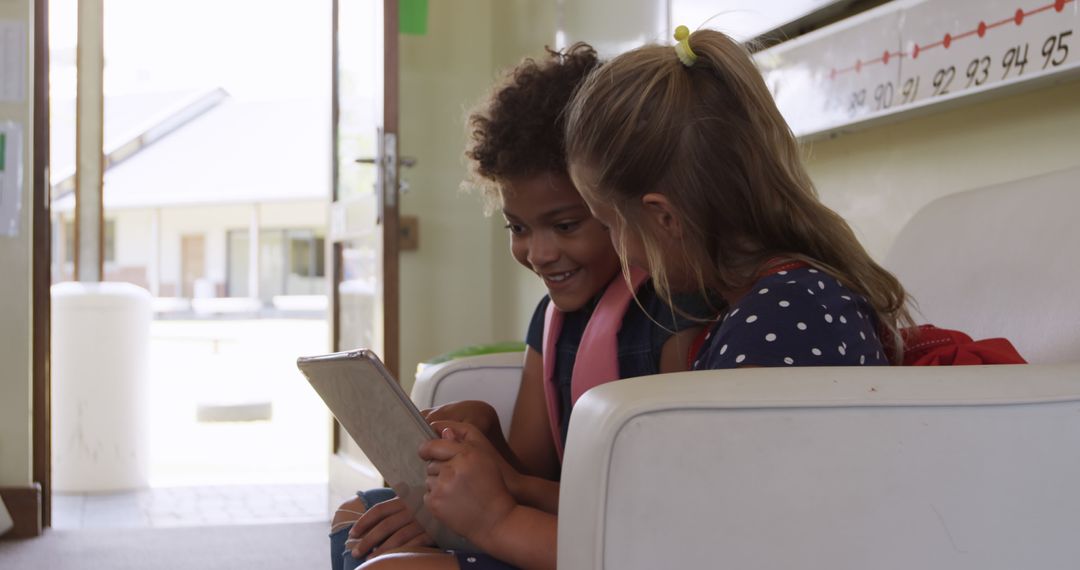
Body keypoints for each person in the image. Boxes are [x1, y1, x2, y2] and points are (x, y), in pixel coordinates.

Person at [381, 26, 918, 570]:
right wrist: (510, 486)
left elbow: (686, 548)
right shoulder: (771, 307)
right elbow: (660, 510)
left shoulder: (780, 321)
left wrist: (498, 519)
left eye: (609, 223)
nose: (618, 250)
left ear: (663, 217)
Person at [330, 42, 713, 570]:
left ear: (614, 201)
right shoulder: (551, 317)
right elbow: (531, 472)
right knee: (356, 520)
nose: (539, 253)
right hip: (542, 521)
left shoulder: (672, 313)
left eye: (566, 224)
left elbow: (666, 514)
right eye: (518, 228)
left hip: (607, 542)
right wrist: (485, 432)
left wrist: (477, 514)